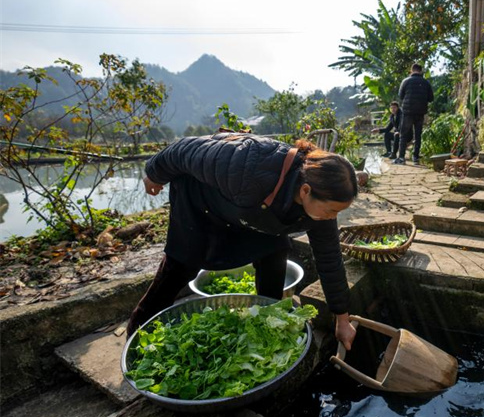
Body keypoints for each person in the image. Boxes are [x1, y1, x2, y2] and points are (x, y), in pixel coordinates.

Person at [127, 133, 359, 350]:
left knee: (274, 255)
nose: (332, 217)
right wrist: (154, 175)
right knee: (179, 267)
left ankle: (269, 322)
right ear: (306, 190)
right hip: (200, 204)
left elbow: (330, 260)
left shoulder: (322, 212)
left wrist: (342, 319)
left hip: (249, 211)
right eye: (331, 210)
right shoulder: (247, 163)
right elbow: (184, 150)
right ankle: (137, 338)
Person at [395, 63, 434, 165]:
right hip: (420, 113)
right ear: (421, 71)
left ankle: (401, 158)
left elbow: (401, 96)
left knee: (403, 135)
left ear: (411, 70)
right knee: (418, 136)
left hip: (407, 112)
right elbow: (431, 98)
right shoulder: (426, 83)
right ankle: (415, 158)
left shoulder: (405, 81)